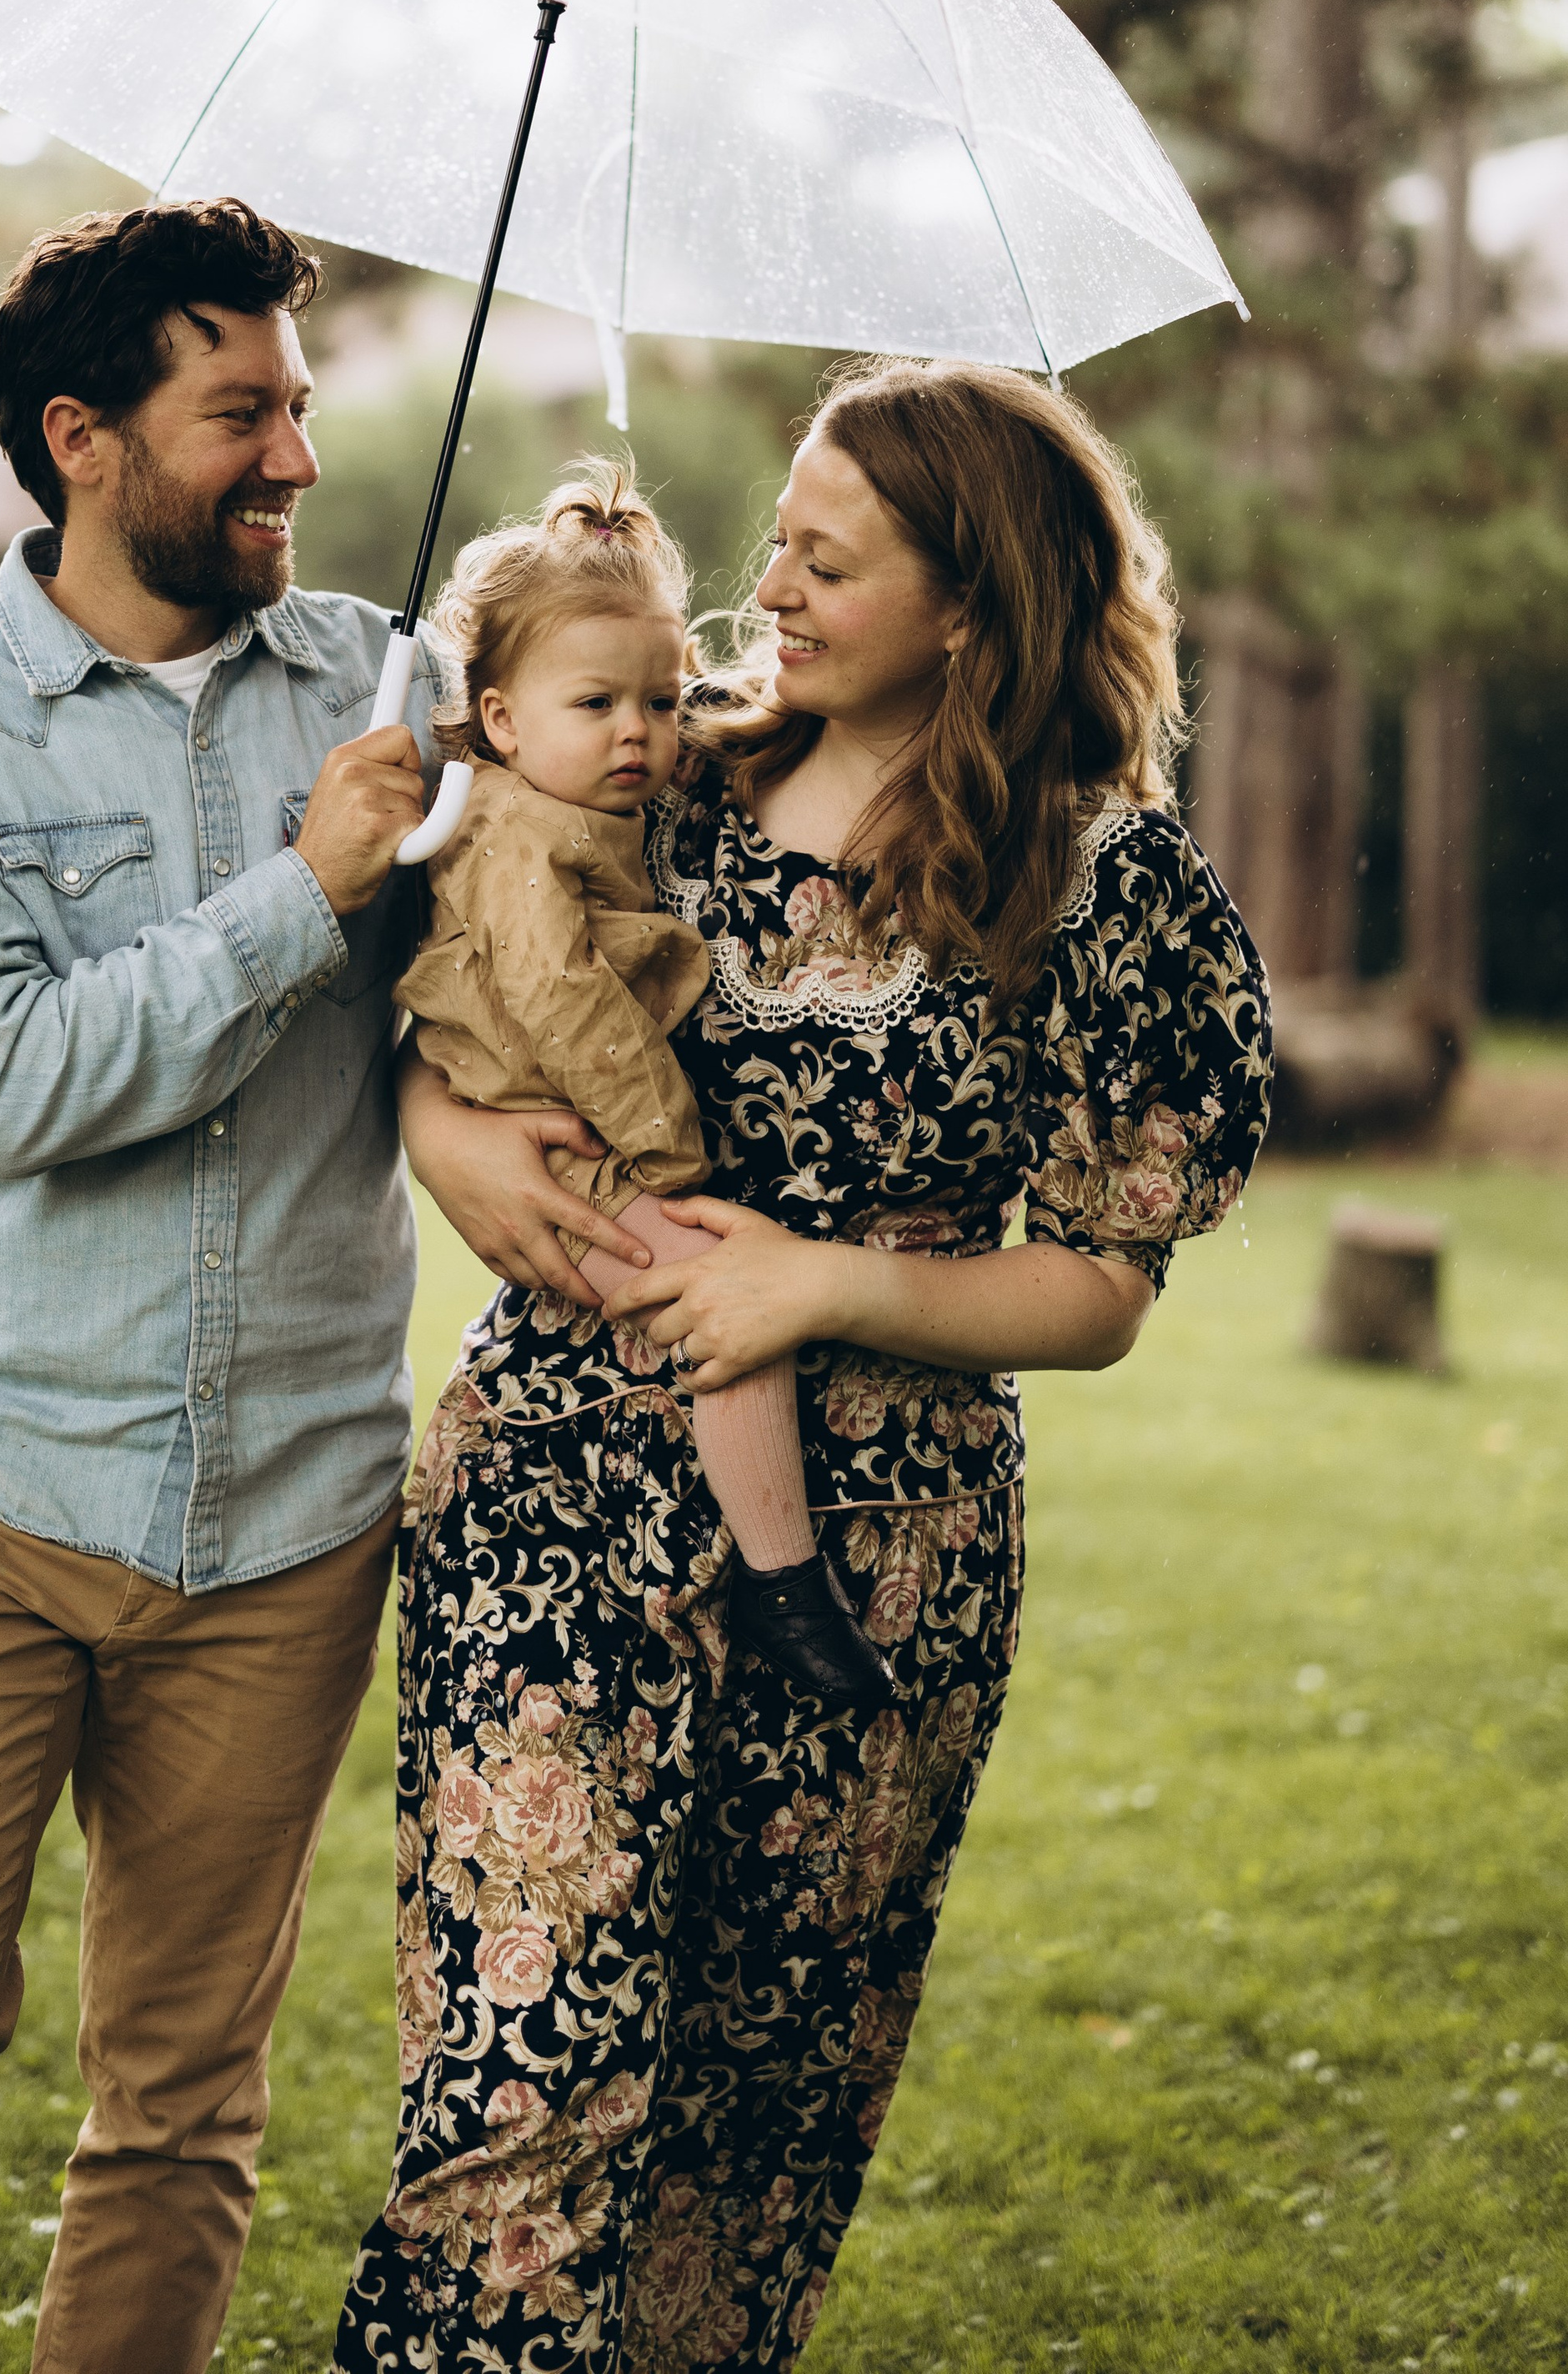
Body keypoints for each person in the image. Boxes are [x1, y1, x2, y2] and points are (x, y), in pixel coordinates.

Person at [336, 356, 1273, 2374]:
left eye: (825, 559)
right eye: (775, 534)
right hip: (557, 1503)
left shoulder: (1099, 882)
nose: (768, 586)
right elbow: (459, 1010)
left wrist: (817, 1286)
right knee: (512, 2091)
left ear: (971, 603)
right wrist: (444, 1135)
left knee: (747, 2139)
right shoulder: (650, 774)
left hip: (878, 1564)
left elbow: (1101, 1284)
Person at [0, 198, 616, 2374]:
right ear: (83, 436)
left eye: (302, 410)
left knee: (179, 2109)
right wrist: (299, 889)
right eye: (239, 412)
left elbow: (551, 923)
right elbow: (8, 1081)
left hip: (293, 1516)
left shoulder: (387, 693)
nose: (298, 461)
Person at [396, 460, 897, 1714]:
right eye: (597, 704)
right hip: (574, 1136)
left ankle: (774, 1571)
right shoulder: (514, 836)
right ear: (501, 721)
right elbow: (572, 1011)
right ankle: (787, 1579)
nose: (641, 734)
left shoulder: (593, 795)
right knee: (724, 1319)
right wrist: (672, 1159)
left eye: (661, 702)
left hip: (573, 1127)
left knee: (719, 1315)